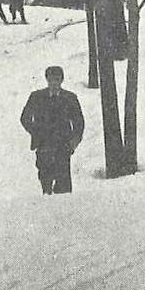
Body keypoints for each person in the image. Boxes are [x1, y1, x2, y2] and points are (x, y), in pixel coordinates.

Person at [20, 66, 85, 195]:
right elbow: (25, 118)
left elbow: (79, 122)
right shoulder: (36, 97)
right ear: (47, 80)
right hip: (44, 144)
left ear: (62, 80)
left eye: (57, 79)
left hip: (63, 144)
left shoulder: (70, 98)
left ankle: (64, 210)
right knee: (45, 179)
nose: (54, 83)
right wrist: (36, 132)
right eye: (51, 80)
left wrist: (74, 141)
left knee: (63, 183)